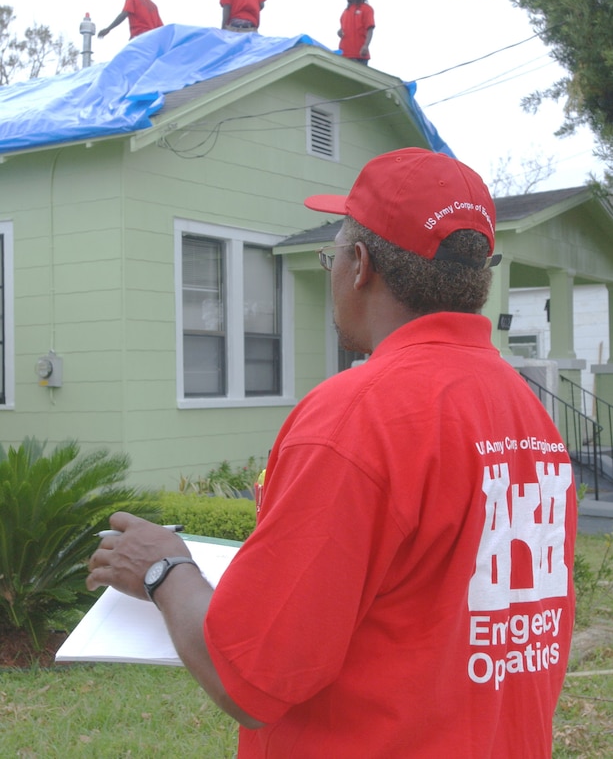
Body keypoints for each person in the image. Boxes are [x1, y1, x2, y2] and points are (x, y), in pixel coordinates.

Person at [87, 148, 577, 758]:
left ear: (360, 264)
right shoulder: (526, 413)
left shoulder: (358, 416)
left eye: (332, 254)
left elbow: (251, 679)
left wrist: (164, 570)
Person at [98, 0, 163, 40]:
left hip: (139, 37)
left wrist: (108, 29)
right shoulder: (153, 5)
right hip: (153, 39)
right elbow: (161, 27)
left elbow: (124, 14)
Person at [338, 0, 375, 64]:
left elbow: (370, 29)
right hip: (344, 53)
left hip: (359, 54)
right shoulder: (345, 11)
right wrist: (339, 32)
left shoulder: (366, 9)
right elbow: (343, 28)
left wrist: (366, 46)